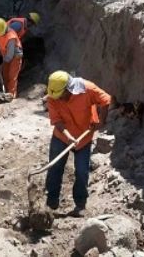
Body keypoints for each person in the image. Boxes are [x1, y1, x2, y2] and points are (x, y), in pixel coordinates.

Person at [45, 71, 112, 217]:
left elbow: (106, 100)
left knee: (82, 171)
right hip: (61, 137)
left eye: (60, 96)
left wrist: (102, 119)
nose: (58, 99)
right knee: (55, 168)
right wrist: (69, 136)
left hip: (84, 137)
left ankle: (80, 205)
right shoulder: (52, 97)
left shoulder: (87, 89)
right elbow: (57, 121)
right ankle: (51, 203)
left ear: (68, 89)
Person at [0, 18, 22, 98]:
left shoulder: (11, 37)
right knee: (5, 74)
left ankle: (11, 94)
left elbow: (10, 55)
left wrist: (1, 65)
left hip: (15, 56)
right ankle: (5, 91)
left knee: (12, 76)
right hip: (6, 55)